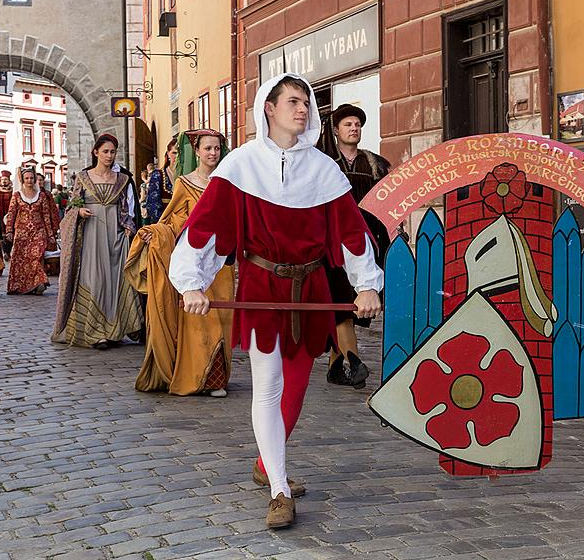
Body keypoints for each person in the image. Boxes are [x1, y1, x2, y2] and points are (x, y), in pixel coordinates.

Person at [169, 73, 383, 529]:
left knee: (298, 390)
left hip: (312, 291)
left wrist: (366, 285)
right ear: (268, 107)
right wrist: (192, 283)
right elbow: (206, 228)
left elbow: (351, 232)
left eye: (305, 102)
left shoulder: (324, 170)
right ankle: (280, 490)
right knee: (268, 387)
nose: (302, 109)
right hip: (264, 288)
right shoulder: (240, 166)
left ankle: (269, 462)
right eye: (292, 101)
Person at [125, 129, 234, 397]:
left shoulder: (229, 181)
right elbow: (172, 220)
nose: (212, 153)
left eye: (216, 149)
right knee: (200, 317)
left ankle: (217, 378)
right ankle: (200, 376)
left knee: (222, 315)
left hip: (222, 261)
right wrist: (161, 234)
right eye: (207, 148)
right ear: (196, 152)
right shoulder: (185, 183)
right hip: (196, 259)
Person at [318, 103, 391, 388]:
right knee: (340, 300)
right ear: (336, 130)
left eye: (357, 124)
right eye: (348, 124)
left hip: (367, 239)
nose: (354, 128)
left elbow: (388, 202)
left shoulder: (376, 164)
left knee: (358, 301)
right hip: (331, 241)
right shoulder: (323, 162)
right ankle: (353, 360)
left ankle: (337, 365)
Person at [52, 133, 143, 349]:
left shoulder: (122, 179)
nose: (109, 156)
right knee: (94, 280)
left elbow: (125, 210)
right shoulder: (83, 178)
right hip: (91, 233)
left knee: (114, 281)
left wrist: (129, 228)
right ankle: (95, 332)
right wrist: (79, 211)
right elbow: (70, 207)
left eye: (112, 152)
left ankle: (112, 330)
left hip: (114, 235)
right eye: (105, 151)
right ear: (96, 152)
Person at [3, 166, 58, 295]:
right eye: (26, 178)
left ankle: (40, 282)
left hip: (39, 231)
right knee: (21, 259)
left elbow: (46, 216)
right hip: (21, 233)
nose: (29, 180)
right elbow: (11, 214)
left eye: (31, 178)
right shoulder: (17, 196)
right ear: (22, 180)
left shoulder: (42, 196)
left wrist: (50, 234)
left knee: (36, 256)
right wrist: (9, 231)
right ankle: (23, 285)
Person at [145, 138, 178, 224]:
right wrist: (163, 224)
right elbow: (152, 204)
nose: (177, 156)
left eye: (180, 153)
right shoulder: (158, 175)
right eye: (174, 153)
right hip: (163, 223)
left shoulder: (189, 175)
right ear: (168, 154)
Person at [0, 171, 14, 260]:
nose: (4, 181)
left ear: (9, 181)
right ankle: (5, 252)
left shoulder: (13, 191)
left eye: (6, 179)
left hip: (10, 214)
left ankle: (8, 252)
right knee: (2, 233)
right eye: (2, 179)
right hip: (0, 214)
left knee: (10, 232)